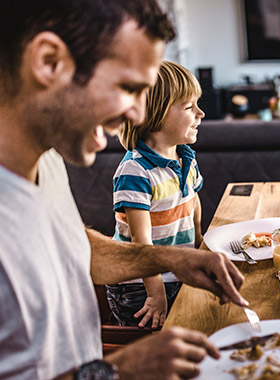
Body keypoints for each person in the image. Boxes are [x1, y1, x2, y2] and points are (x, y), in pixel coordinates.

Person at [0, 1, 248, 379]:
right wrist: (119, 370)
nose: (137, 114)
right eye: (128, 87)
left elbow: (74, 247)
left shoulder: (45, 159)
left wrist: (173, 260)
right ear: (49, 62)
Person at [106, 61, 205, 329]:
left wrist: (198, 241)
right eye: (189, 107)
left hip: (176, 272)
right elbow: (142, 241)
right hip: (141, 286)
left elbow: (192, 200)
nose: (201, 113)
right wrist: (155, 292)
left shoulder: (184, 156)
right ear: (155, 114)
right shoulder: (135, 170)